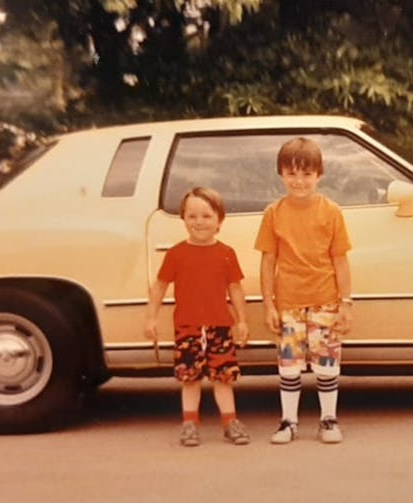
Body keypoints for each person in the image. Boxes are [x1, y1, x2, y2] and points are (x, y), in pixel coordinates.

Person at [254, 137, 353, 444]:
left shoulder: (332, 211)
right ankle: (288, 422)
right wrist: (268, 304)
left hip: (325, 303)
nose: (299, 181)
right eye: (292, 174)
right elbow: (268, 261)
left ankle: (328, 420)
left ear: (319, 175)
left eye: (306, 174)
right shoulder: (273, 213)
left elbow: (340, 259)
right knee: (289, 367)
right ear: (281, 174)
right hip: (288, 305)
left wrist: (346, 303)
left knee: (326, 367)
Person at [145, 187, 251, 447]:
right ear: (183, 219)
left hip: (220, 327)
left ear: (219, 221)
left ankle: (230, 422)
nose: (199, 222)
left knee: (223, 378)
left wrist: (242, 320)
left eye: (206, 216)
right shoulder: (176, 253)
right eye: (192, 216)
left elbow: (235, 288)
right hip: (187, 326)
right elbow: (159, 286)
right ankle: (190, 424)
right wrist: (150, 317)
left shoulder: (226, 253)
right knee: (190, 378)